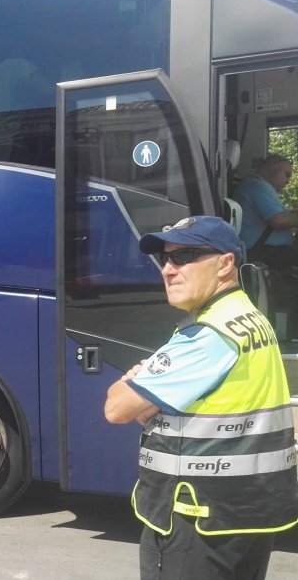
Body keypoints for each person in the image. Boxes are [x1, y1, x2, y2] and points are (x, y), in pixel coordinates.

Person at [104, 216, 298, 579]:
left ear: (225, 263)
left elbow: (116, 408)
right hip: (247, 512)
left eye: (185, 256)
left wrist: (137, 381)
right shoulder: (249, 317)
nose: (168, 269)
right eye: (165, 258)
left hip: (196, 515)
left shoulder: (206, 335)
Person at [232, 153, 298, 269]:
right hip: (264, 254)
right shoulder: (257, 186)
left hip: (268, 251)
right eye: (287, 175)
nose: (288, 181)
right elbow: (279, 221)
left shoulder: (258, 186)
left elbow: (285, 214)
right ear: (274, 169)